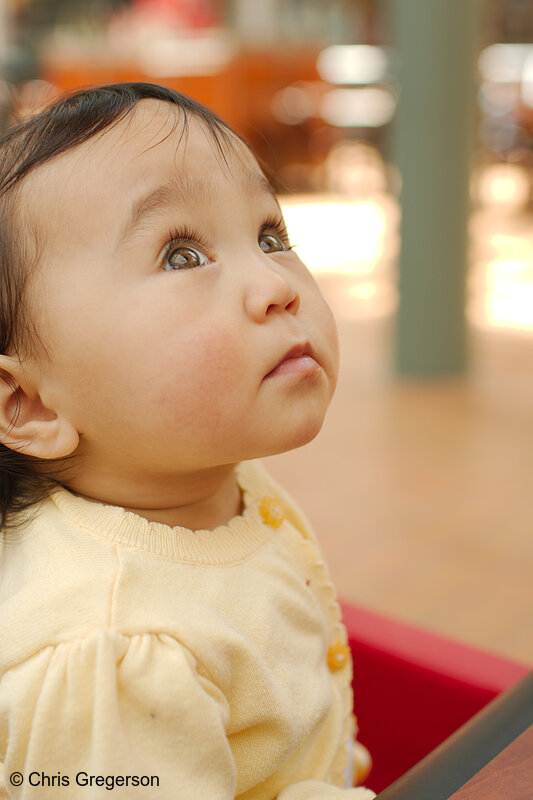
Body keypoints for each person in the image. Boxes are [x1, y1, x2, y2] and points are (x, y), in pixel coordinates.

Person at [0, 83, 375, 799]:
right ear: (29, 403)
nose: (276, 284)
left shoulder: (199, 481)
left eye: (269, 235)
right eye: (181, 256)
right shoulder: (109, 655)